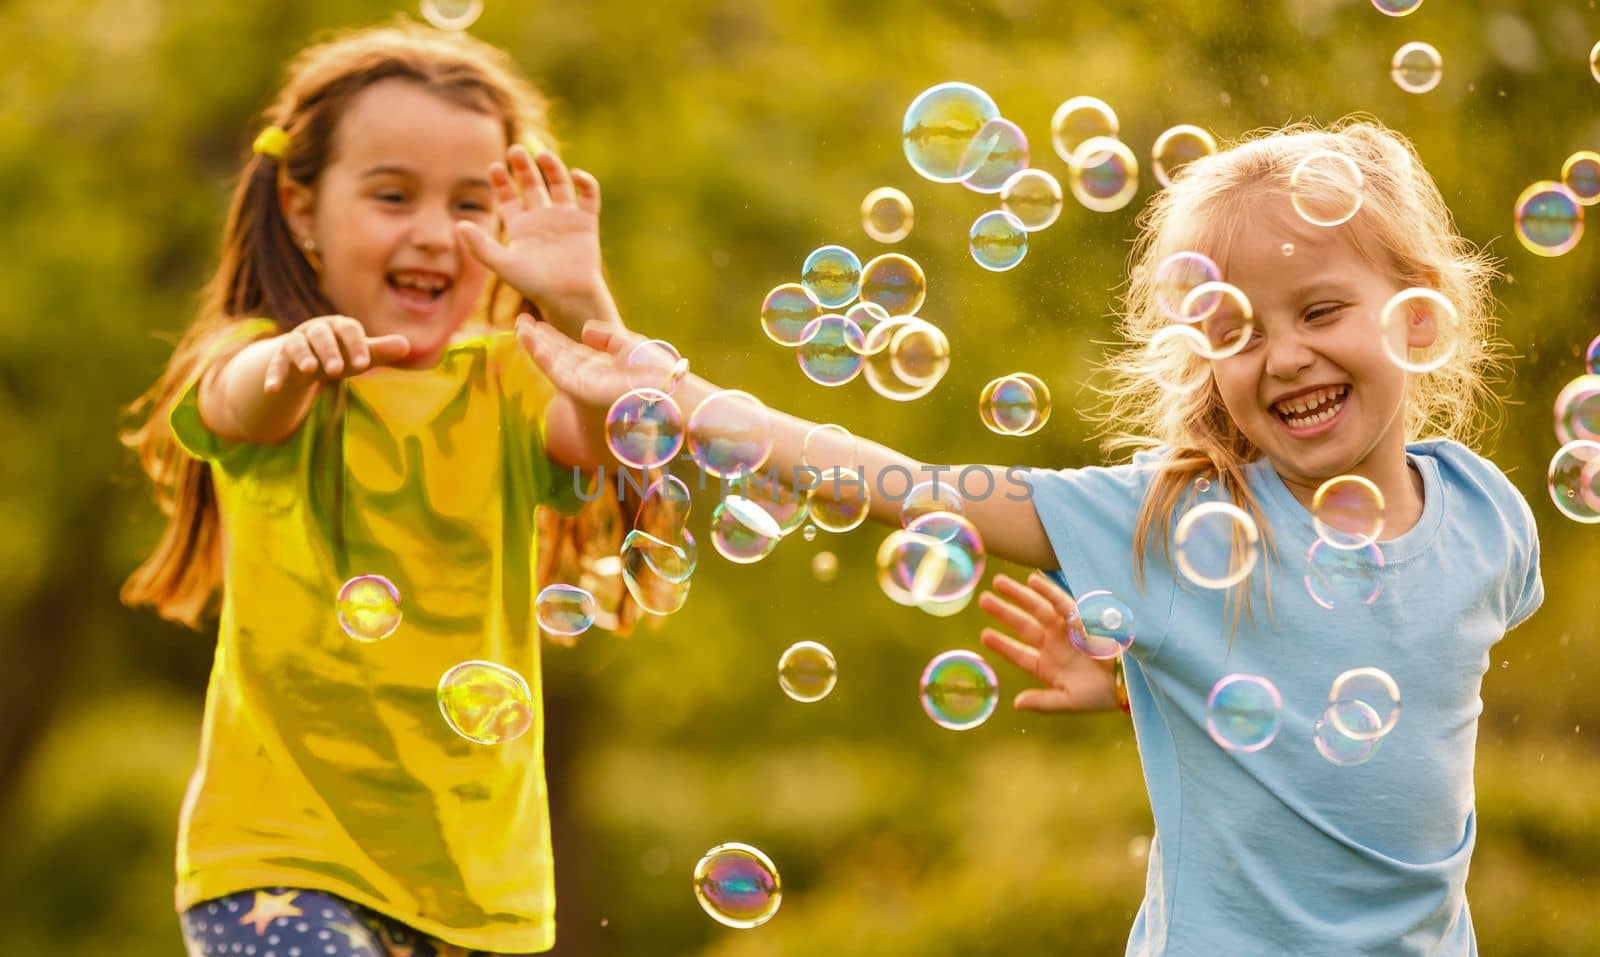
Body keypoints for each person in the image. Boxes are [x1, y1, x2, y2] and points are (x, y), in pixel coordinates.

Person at [522, 118, 1542, 956]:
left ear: (1417, 316)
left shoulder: (1487, 515)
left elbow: (1364, 686)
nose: (1282, 358)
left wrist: (1153, 682)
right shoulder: (1181, 518)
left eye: (1320, 309)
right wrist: (679, 395)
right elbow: (906, 486)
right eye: (1234, 331)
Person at [121, 20, 645, 957]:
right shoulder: (263, 366)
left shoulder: (514, 382)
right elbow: (238, 404)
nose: (436, 234)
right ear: (301, 207)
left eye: (472, 204)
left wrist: (580, 303)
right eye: (393, 195)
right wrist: (292, 359)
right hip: (282, 861)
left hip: (483, 888)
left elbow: (622, 424)